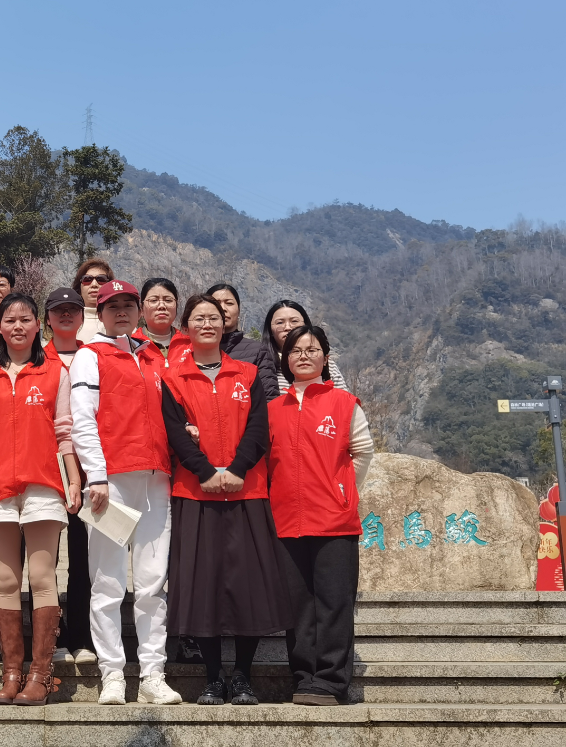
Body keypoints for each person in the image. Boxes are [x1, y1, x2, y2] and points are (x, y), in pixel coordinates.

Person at [161, 294, 291, 706]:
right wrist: (204, 471)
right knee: (202, 584)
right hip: (194, 492)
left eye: (214, 317)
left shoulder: (247, 373)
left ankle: (243, 676)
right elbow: (175, 432)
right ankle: (213, 677)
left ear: (225, 324)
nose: (207, 324)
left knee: (249, 583)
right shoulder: (173, 378)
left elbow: (259, 427)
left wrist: (237, 469)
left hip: (247, 490)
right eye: (198, 318)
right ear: (186, 327)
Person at [0, 293, 82, 705]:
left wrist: (73, 480)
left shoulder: (54, 373)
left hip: (42, 485)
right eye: (10, 319)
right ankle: (11, 673)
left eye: (25, 319)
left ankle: (41, 675)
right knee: (6, 580)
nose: (17, 326)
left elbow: (64, 431)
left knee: (42, 577)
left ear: (37, 325)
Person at [70, 279, 182, 706]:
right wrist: (96, 475)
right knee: (108, 580)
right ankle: (112, 674)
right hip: (112, 480)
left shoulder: (153, 356)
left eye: (127, 305)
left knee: (152, 583)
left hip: (156, 479)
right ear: (99, 312)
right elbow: (83, 418)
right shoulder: (89, 355)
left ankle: (153, 674)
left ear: (138, 312)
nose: (120, 311)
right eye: (111, 305)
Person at [268, 325, 374, 706]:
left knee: (334, 601)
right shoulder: (271, 410)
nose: (303, 356)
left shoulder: (344, 403)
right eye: (295, 350)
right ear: (285, 359)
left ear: (325, 358)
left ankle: (330, 681)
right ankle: (304, 677)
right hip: (286, 520)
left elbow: (362, 451)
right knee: (297, 606)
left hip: (334, 521)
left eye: (312, 349)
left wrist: (342, 491)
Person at [41, 288, 96, 666]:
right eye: (58, 310)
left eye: (72, 310)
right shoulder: (35, 358)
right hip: (46, 468)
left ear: (81, 317)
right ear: (47, 318)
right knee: (45, 559)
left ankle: (82, 635)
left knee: (84, 556)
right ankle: (52, 636)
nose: (65, 315)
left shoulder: (94, 357)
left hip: (89, 468)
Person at [205, 283, 279, 400]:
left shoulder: (258, 351)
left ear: (239, 311)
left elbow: (269, 398)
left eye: (229, 303)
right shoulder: (192, 350)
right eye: (216, 303)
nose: (223, 308)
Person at [262, 300, 349, 393]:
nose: (288, 327)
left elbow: (344, 398)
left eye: (294, 321)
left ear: (305, 325)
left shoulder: (320, 361)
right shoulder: (262, 363)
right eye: (280, 323)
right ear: (270, 330)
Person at [133, 277, 191, 367]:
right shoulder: (132, 345)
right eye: (153, 300)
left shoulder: (190, 345)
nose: (161, 306)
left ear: (177, 305)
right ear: (141, 308)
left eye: (168, 300)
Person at [72, 257, 114, 342]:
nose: (94, 284)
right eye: (87, 279)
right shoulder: (69, 320)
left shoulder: (121, 320)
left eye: (101, 279)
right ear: (79, 288)